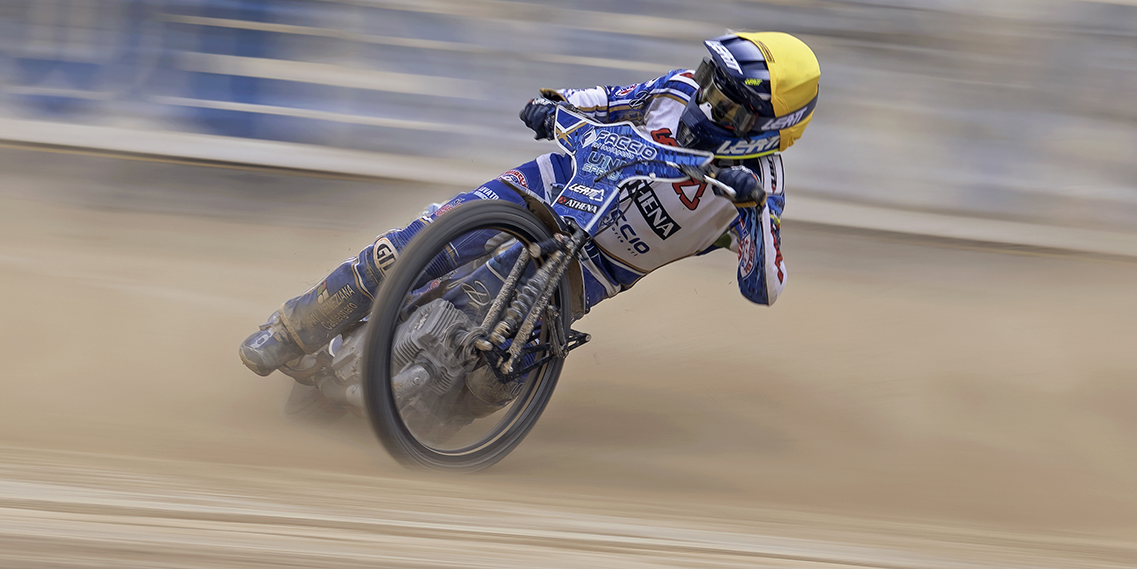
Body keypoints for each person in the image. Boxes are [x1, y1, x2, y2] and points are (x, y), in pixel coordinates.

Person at [240, 31, 821, 379]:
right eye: (710, 81)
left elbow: (766, 287)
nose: (706, 102)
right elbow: (603, 99)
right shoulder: (675, 89)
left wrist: (752, 212)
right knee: (409, 246)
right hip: (542, 189)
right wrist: (555, 103)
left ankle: (437, 403)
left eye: (728, 104)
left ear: (773, 127)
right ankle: (290, 330)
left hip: (592, 268)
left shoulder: (762, 182)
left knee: (492, 362)